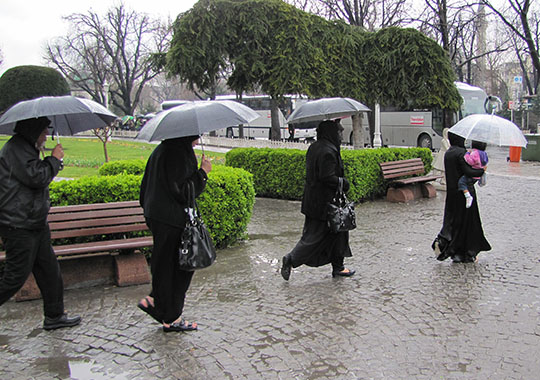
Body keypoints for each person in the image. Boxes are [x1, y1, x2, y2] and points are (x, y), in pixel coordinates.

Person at [0, 117, 81, 330]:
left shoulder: (26, 148)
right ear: (33, 130)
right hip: (18, 224)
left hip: (34, 222)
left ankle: (54, 315)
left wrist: (50, 162)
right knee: (15, 277)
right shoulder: (16, 149)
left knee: (49, 271)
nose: (46, 136)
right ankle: (54, 315)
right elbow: (36, 177)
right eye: (44, 132)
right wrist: (53, 160)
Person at [138, 135, 212, 332]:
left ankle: (155, 300)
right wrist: (203, 173)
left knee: (165, 264)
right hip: (172, 219)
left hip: (158, 215)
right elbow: (183, 190)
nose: (198, 139)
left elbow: (145, 187)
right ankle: (172, 317)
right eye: (196, 135)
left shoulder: (162, 150)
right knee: (181, 267)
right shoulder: (178, 153)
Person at [281, 120, 355, 280]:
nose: (341, 135)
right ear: (331, 132)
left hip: (317, 202)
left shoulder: (316, 146)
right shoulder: (326, 151)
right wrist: (343, 183)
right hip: (323, 205)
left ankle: (339, 267)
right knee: (314, 237)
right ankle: (291, 259)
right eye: (339, 132)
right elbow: (327, 177)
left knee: (338, 233)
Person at [432, 132, 491, 263]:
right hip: (465, 194)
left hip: (452, 193)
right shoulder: (461, 153)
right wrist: (482, 170)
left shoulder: (448, 153)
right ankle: (465, 252)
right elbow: (468, 172)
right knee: (467, 224)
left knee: (452, 221)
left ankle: (445, 243)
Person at [458, 140, 488, 208]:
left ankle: (467, 196)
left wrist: (467, 154)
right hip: (477, 177)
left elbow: (470, 161)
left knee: (461, 183)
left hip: (472, 175)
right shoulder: (484, 154)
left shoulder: (475, 153)